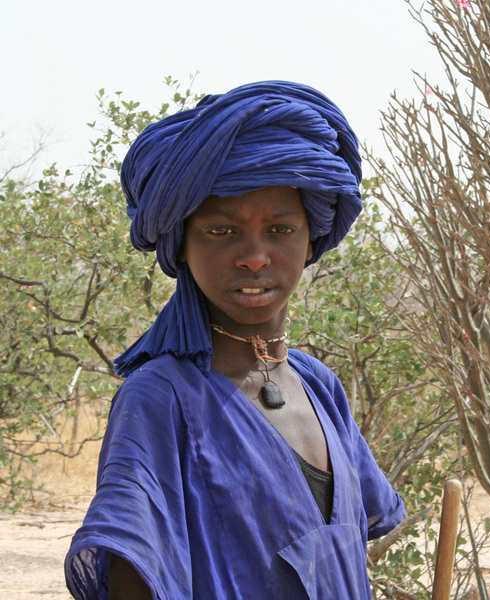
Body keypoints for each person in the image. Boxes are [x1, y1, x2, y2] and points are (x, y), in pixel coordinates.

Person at [64, 81, 405, 599]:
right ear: (182, 246)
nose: (254, 256)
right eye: (222, 232)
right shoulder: (162, 396)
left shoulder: (319, 385)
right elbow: (133, 573)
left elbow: (348, 542)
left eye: (280, 230)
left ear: (310, 237)